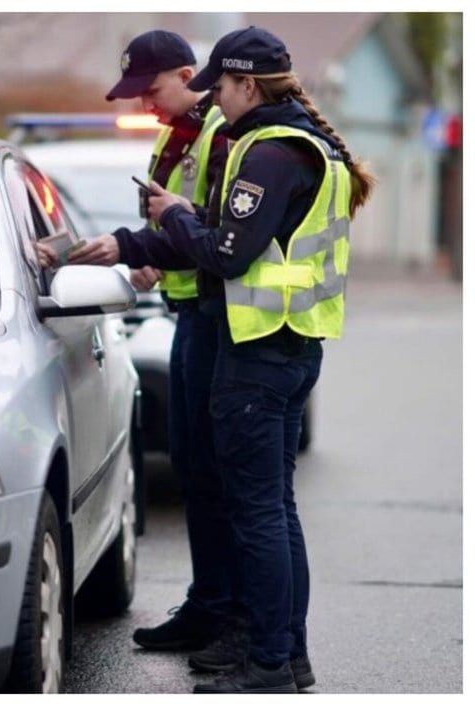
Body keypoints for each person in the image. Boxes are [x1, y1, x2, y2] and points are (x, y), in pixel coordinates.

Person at [142, 27, 375, 693]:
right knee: (274, 508)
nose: (214, 95)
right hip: (291, 347)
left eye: (221, 84)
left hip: (259, 352)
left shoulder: (271, 152)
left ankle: (270, 662)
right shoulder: (307, 143)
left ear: (248, 84)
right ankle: (286, 656)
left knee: (258, 514)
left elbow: (225, 254)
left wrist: (179, 217)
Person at [67, 29, 240, 657]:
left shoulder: (228, 131)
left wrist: (134, 245)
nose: (145, 106)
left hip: (222, 319)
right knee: (195, 467)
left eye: (152, 89)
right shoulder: (176, 134)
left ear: (189, 73)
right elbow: (171, 229)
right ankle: (209, 605)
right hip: (187, 310)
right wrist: (145, 262)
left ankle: (228, 616)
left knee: (220, 474)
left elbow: (213, 232)